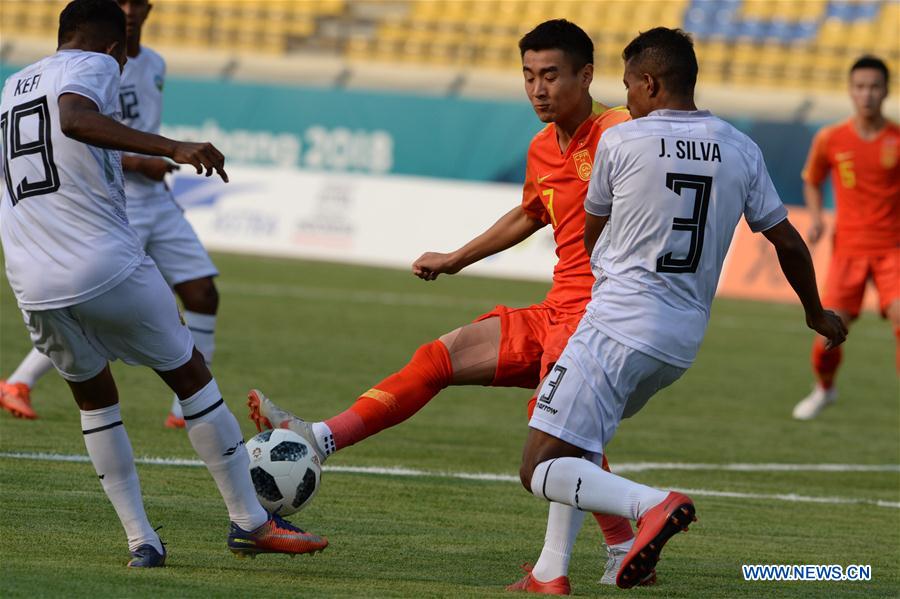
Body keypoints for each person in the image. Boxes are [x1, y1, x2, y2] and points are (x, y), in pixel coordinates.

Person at [248, 19, 650, 593]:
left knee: (561, 433)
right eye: (529, 76)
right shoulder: (543, 146)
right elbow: (531, 213)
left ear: (586, 76)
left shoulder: (618, 131)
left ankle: (597, 552)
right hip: (555, 309)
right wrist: (458, 257)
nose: (538, 89)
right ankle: (321, 438)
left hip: (598, 315)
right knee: (441, 357)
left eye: (551, 76)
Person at [516, 27, 847, 589]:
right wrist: (815, 313)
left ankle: (652, 505)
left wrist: (606, 271)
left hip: (616, 325)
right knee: (579, 439)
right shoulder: (740, 147)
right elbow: (788, 242)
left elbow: (588, 234)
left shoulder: (622, 141)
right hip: (680, 341)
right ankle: (552, 571)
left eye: (629, 85)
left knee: (538, 467)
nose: (626, 99)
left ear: (650, 82)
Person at [0, 0, 326, 567]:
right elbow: (74, 118)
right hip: (102, 261)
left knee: (95, 402)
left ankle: (142, 541)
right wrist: (171, 145)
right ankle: (251, 521)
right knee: (191, 377)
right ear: (111, 47)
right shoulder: (97, 62)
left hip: (31, 277)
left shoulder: (14, 85)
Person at [0, 0, 221, 430]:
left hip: (156, 198)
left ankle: (184, 410)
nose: (132, 9)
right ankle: (20, 380)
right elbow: (75, 133)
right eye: (123, 2)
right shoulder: (89, 66)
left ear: (150, 9)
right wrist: (148, 158)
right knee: (87, 298)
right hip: (108, 203)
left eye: (139, 2)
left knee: (202, 292)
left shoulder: (153, 63)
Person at [792, 55, 899, 420]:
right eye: (860, 87)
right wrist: (817, 217)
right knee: (829, 331)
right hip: (849, 249)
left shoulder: (897, 138)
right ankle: (824, 388)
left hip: (893, 249)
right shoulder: (831, 138)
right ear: (851, 91)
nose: (867, 94)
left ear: (886, 91)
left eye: (874, 87)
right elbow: (812, 179)